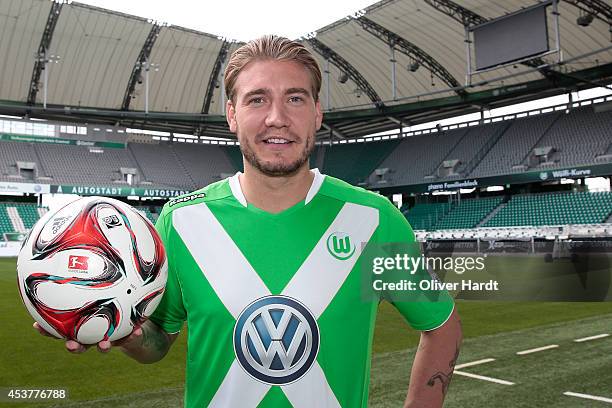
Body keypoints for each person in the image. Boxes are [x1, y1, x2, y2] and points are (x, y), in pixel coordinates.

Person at [35, 35, 462, 407]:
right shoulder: (181, 221)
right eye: (257, 99)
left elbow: (441, 327)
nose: (277, 117)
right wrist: (123, 330)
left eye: (295, 98)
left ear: (317, 113)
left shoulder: (375, 221)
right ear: (232, 115)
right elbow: (158, 341)